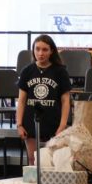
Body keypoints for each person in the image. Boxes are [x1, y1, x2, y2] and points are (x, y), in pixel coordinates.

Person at [16, 34, 71, 165]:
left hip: (53, 121)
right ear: (33, 50)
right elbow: (22, 100)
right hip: (30, 121)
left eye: (45, 49)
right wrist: (19, 124)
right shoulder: (27, 71)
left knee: (51, 160)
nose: (40, 53)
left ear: (52, 51)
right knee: (32, 159)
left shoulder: (60, 71)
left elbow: (65, 101)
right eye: (37, 49)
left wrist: (62, 125)